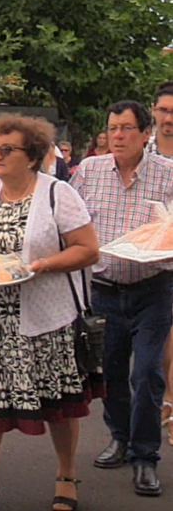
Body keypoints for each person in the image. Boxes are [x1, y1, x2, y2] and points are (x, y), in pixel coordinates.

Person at [0, 113, 101, 511]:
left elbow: (88, 249)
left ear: (32, 156)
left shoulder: (57, 193)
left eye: (6, 149)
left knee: (59, 403)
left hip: (46, 319)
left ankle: (66, 478)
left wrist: (41, 265)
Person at [71, 100, 173, 497]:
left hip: (153, 289)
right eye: (112, 127)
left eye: (127, 128)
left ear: (146, 134)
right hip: (104, 291)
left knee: (146, 372)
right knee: (110, 372)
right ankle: (120, 437)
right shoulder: (90, 171)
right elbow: (70, 218)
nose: (117, 135)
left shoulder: (167, 174)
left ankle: (146, 456)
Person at [148, 82, 173, 449]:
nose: (170, 119)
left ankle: (169, 403)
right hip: (147, 260)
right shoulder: (143, 155)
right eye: (165, 110)